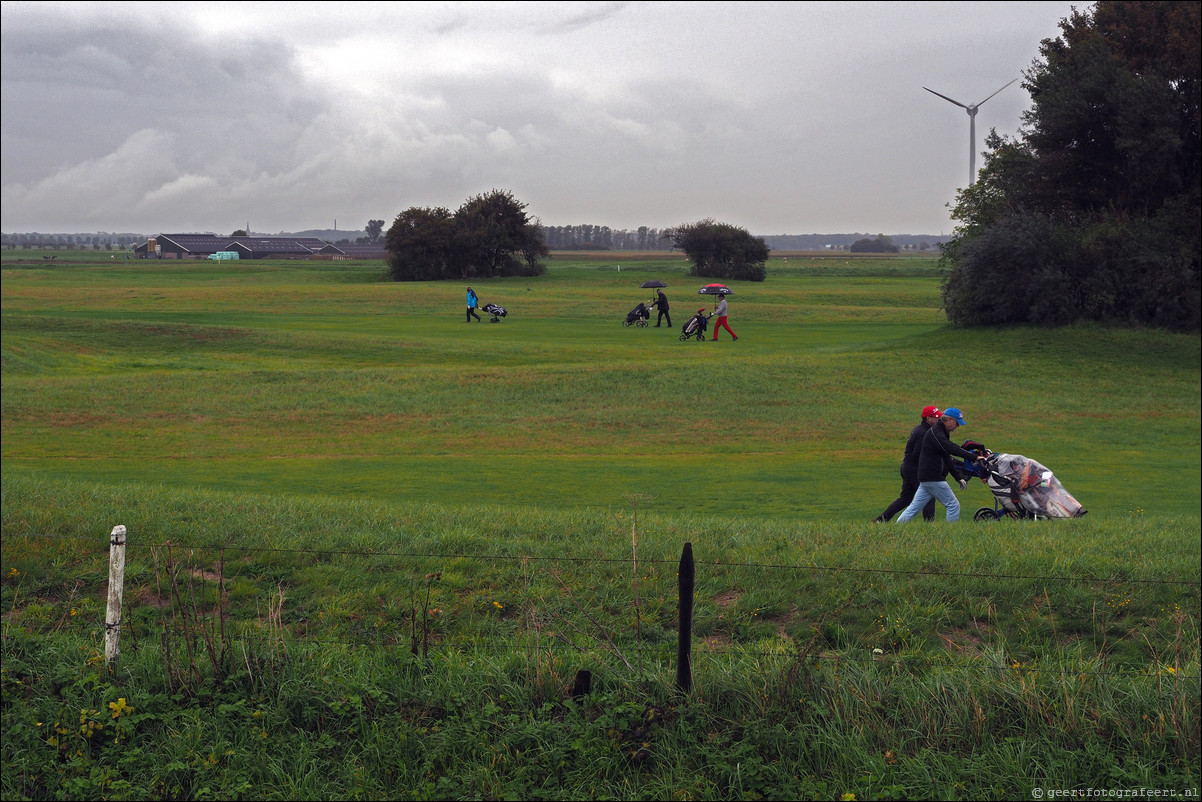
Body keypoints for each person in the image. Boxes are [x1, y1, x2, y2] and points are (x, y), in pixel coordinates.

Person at [895, 407, 982, 523]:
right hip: (933, 477)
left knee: (914, 508)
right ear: (949, 420)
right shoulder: (936, 433)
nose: (957, 426)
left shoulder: (941, 432)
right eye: (957, 423)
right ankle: (950, 535)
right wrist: (975, 457)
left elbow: (946, 456)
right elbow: (951, 448)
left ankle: (896, 527)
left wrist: (958, 477)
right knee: (953, 505)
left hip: (926, 477)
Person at [872, 405, 941, 522]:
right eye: (936, 417)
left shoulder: (919, 428)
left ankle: (880, 520)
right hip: (914, 469)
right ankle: (929, 525)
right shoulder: (924, 433)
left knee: (905, 498)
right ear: (928, 418)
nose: (938, 420)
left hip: (907, 467)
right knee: (929, 496)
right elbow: (917, 454)